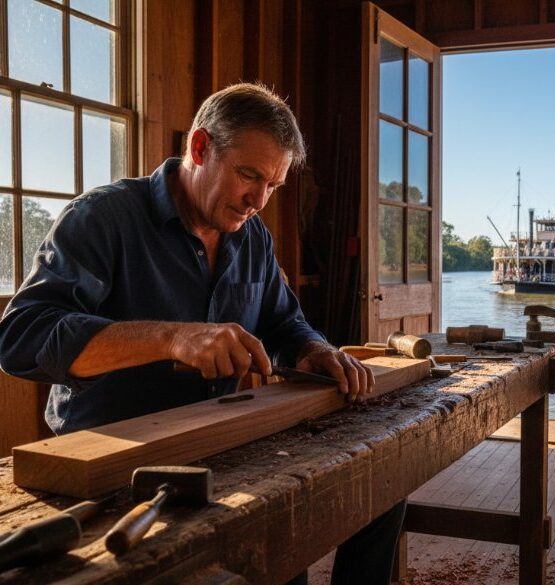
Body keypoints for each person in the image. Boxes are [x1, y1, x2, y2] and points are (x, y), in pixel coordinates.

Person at [0, 83, 404, 585]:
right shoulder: (103, 218)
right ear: (199, 147)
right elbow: (20, 337)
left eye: (273, 185)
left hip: (219, 446)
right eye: (249, 175)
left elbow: (282, 321)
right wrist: (170, 338)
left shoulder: (251, 234)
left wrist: (311, 348)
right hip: (106, 465)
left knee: (363, 499)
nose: (258, 200)